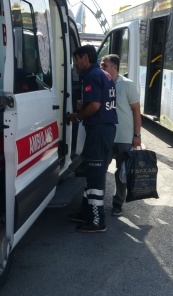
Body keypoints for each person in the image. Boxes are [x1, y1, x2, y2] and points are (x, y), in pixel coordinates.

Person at [67, 45, 117, 233]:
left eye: (76, 60)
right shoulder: (104, 74)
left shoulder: (92, 76)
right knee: (91, 174)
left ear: (85, 58)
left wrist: (78, 116)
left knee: (95, 177)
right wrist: (85, 104)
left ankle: (97, 221)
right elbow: (100, 101)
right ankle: (86, 212)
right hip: (104, 130)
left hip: (99, 131)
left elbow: (95, 106)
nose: (75, 64)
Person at [100, 54, 142, 216]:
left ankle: (118, 203)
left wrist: (137, 135)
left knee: (122, 172)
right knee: (101, 169)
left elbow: (136, 111)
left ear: (114, 67)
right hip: (106, 136)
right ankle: (98, 202)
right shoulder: (101, 83)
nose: (101, 68)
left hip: (124, 136)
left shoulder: (127, 85)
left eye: (104, 65)